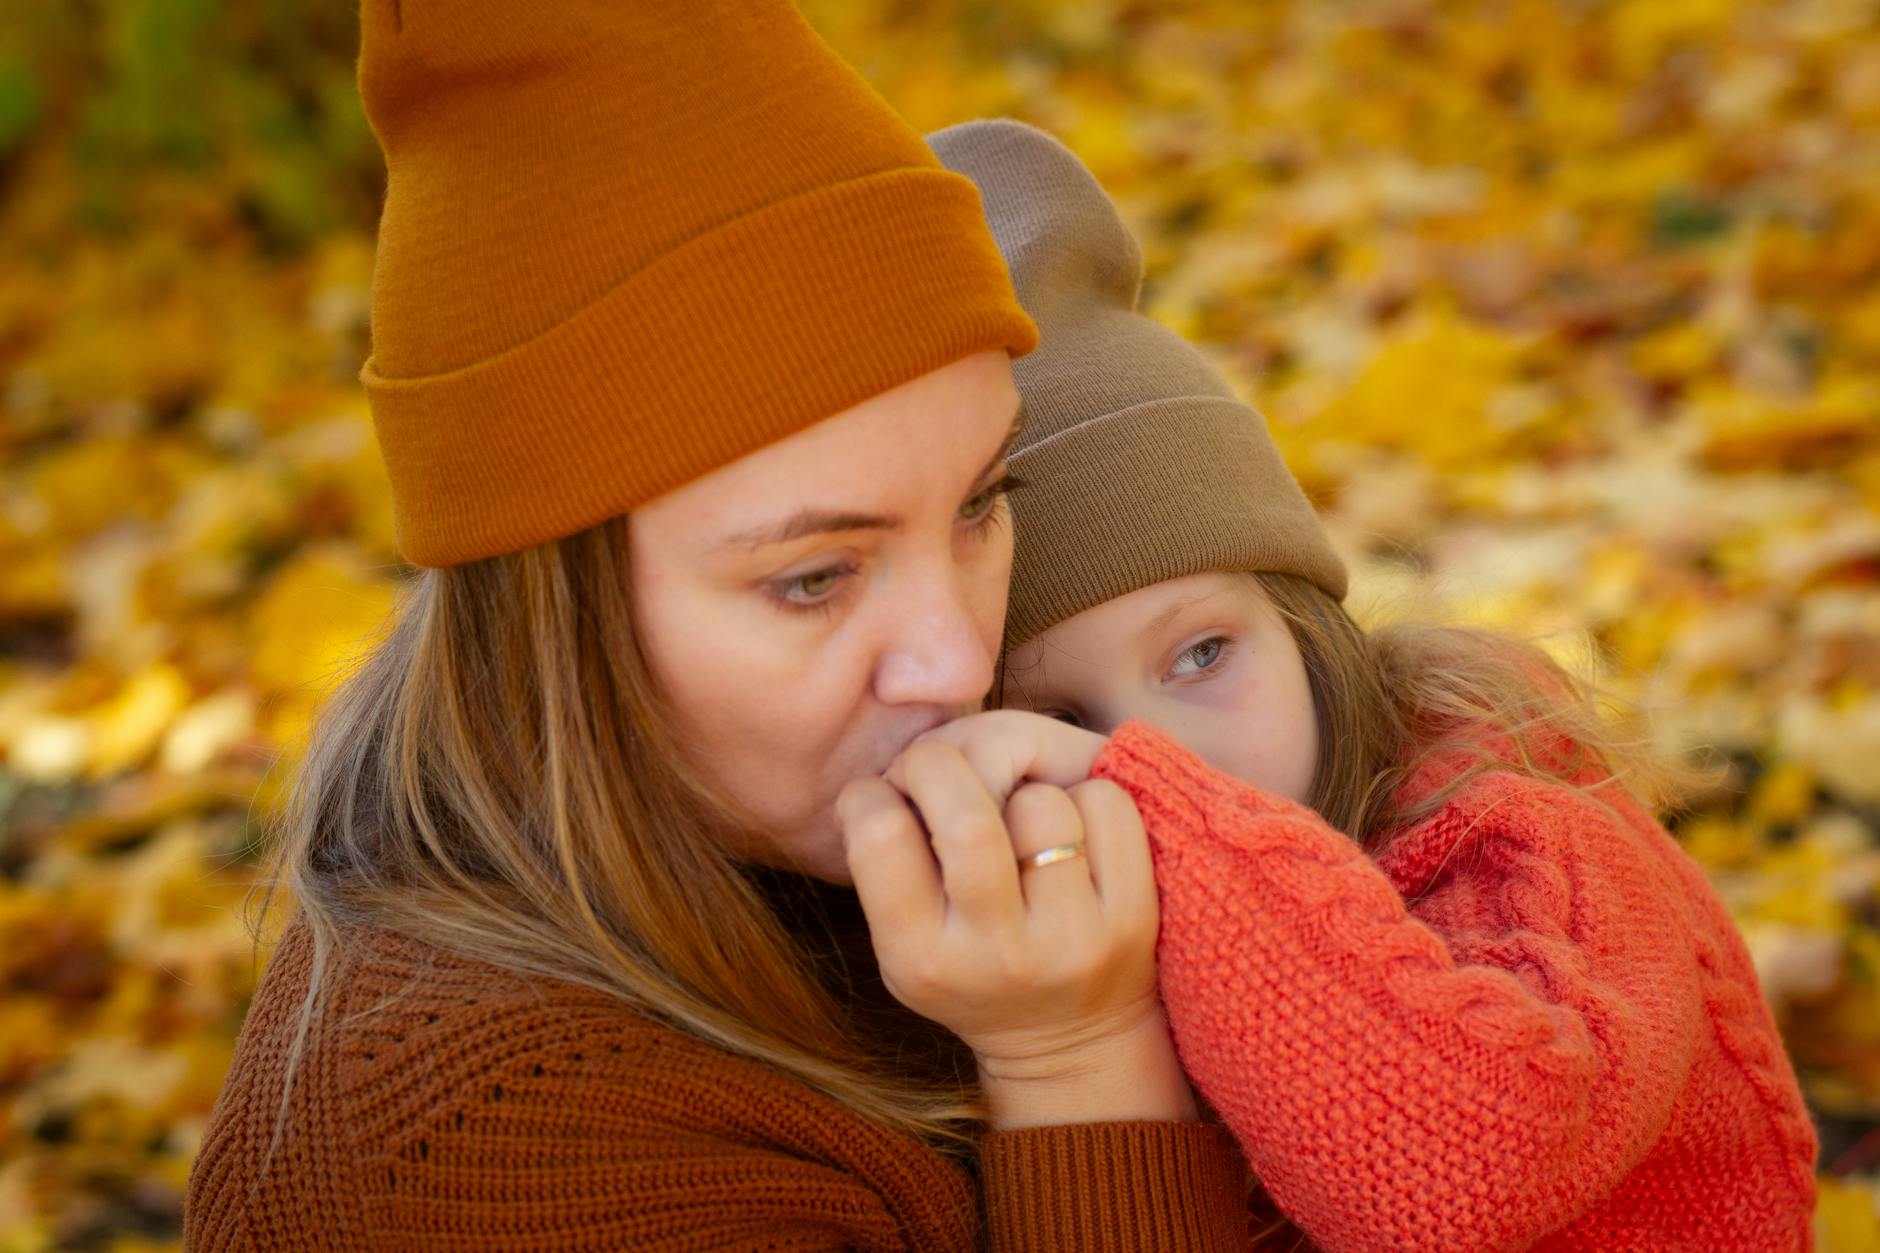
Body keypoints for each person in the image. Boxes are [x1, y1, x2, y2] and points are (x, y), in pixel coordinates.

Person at [182, 8, 1254, 1249]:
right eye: (813, 579)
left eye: (979, 502)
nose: (960, 661)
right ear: (552, 612)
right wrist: (1075, 1064)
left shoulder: (831, 826)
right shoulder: (494, 1157)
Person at [887, 118, 1820, 1251]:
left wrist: (1179, 826)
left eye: (1201, 654)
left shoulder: (1513, 831)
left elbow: (1458, 1180)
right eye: (1059, 722)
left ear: (1303, 625)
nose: (1161, 757)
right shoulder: (1052, 940)